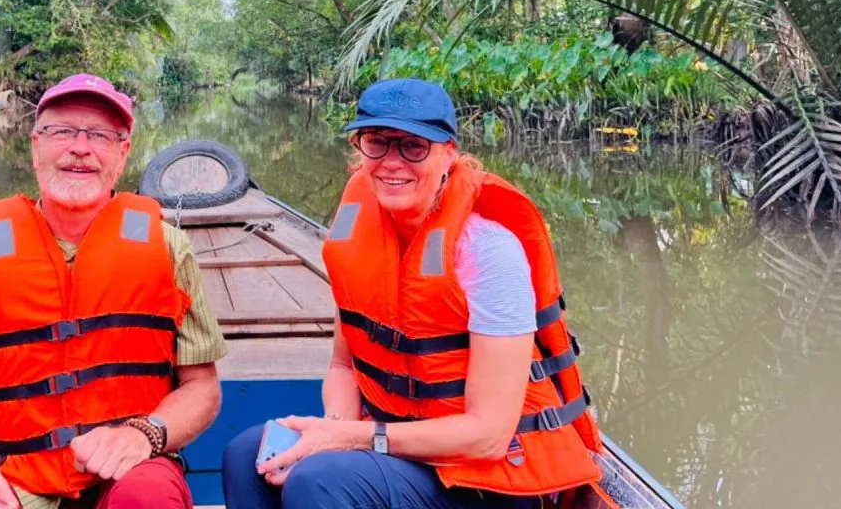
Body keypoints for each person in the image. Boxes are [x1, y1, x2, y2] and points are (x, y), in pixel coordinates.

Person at [222, 78, 603, 509]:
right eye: (377, 142)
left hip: (485, 475)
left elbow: (489, 435)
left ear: (449, 152)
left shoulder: (488, 252)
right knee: (247, 455)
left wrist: (351, 439)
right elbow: (344, 366)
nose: (392, 162)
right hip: (397, 446)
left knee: (319, 481)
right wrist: (331, 432)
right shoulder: (360, 239)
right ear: (359, 147)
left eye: (414, 146)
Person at [0, 74, 227, 509]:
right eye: (62, 131)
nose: (80, 148)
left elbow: (203, 387)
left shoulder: (169, 247)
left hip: (130, 468)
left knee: (148, 495)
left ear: (122, 154)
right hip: (13, 478)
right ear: (36, 147)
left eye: (100, 135)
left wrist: (144, 434)